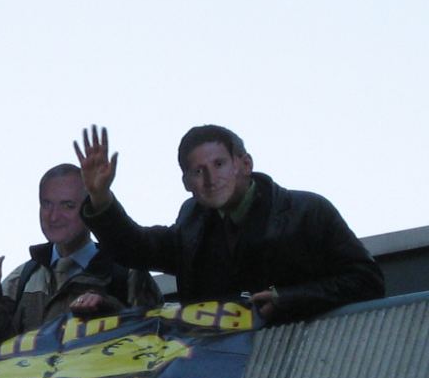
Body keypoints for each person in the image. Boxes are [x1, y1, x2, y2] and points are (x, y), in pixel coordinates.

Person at [74, 124, 385, 322]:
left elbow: (366, 280)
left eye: (219, 164)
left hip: (306, 367)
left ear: (244, 164)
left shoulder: (307, 211)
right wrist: (100, 196)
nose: (210, 179)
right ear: (186, 183)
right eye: (197, 171)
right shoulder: (191, 225)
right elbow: (136, 248)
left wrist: (289, 300)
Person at [0, 164, 161, 345]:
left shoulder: (126, 272)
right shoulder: (20, 279)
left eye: (67, 205)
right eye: (46, 204)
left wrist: (110, 310)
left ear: (89, 206)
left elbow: (159, 338)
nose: (53, 216)